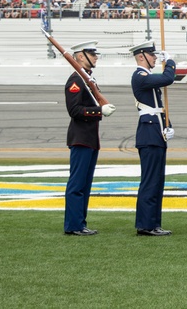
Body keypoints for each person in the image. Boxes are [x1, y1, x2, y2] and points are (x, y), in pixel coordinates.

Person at [64, 40, 116, 236]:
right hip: (81, 138)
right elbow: (74, 110)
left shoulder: (86, 79)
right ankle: (73, 225)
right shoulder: (76, 81)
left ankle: (80, 223)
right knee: (77, 184)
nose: (95, 57)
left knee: (85, 185)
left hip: (90, 138)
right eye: (91, 54)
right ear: (79, 57)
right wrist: (99, 110)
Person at [130, 42, 176, 236]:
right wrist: (171, 63)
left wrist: (168, 125)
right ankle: (145, 224)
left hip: (157, 132)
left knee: (157, 181)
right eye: (152, 55)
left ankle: (153, 223)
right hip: (149, 134)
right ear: (141, 57)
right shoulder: (139, 76)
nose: (155, 58)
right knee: (150, 181)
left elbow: (158, 108)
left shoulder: (147, 77)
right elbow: (168, 78)